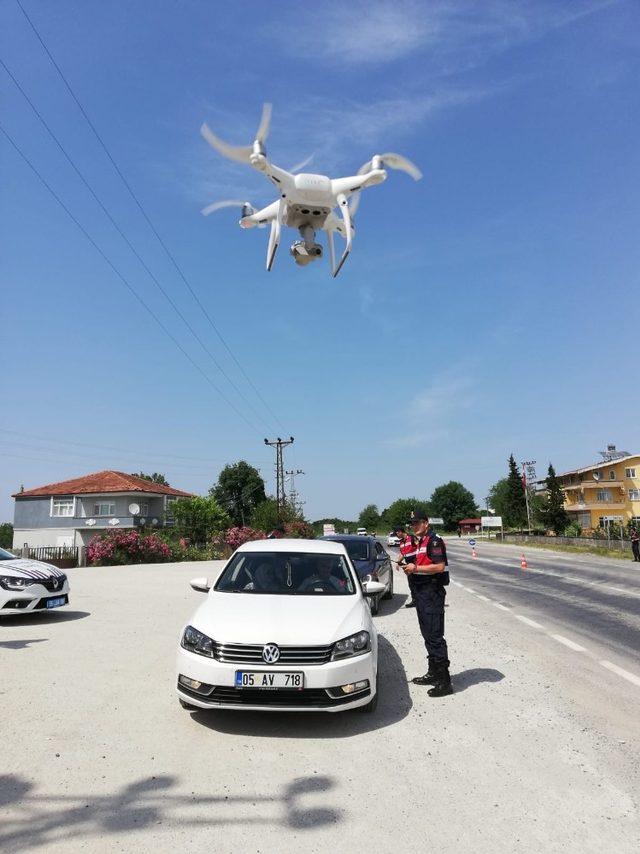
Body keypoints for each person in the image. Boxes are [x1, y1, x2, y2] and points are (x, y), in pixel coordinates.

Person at [404, 509, 453, 697]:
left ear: (426, 523)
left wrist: (416, 568)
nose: (414, 526)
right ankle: (433, 673)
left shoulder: (434, 541)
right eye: (412, 524)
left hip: (432, 592)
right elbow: (421, 565)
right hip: (421, 592)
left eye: (417, 523)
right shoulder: (420, 542)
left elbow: (439, 567)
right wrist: (410, 568)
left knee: (435, 637)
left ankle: (444, 681)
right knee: (427, 635)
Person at [394, 525, 418, 608]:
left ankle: (423, 600)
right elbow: (402, 553)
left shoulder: (412, 538)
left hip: (416, 563)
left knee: (419, 582)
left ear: (401, 532)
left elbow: (420, 548)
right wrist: (398, 562)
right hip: (408, 565)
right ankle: (415, 600)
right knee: (411, 583)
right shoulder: (401, 542)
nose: (396, 535)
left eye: (397, 533)